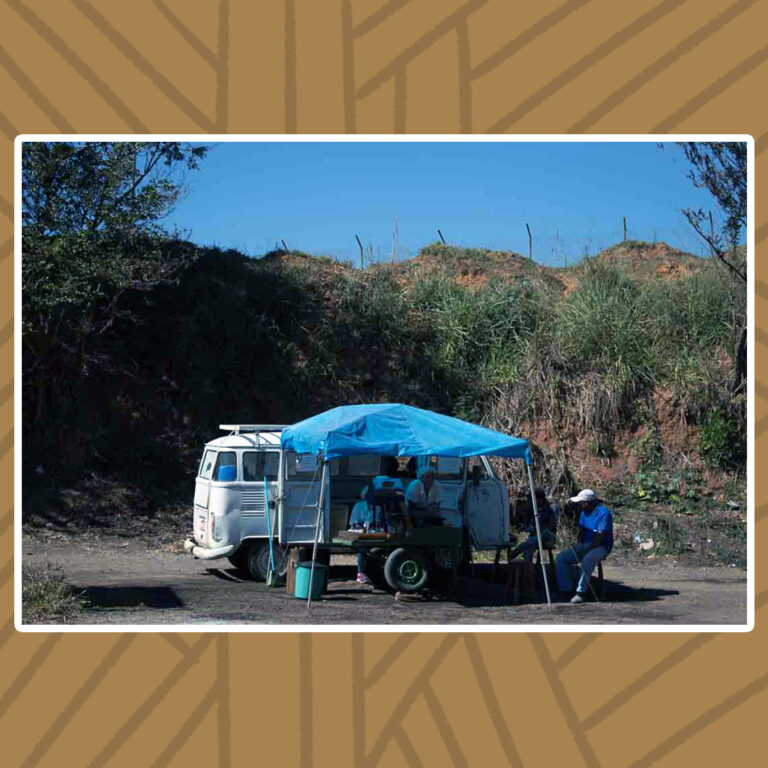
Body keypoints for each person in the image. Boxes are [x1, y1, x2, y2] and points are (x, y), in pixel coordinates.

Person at [555, 489, 613, 604]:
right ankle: (565, 590)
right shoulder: (584, 512)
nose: (580, 505)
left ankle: (580, 592)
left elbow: (599, 537)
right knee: (561, 558)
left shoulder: (604, 513)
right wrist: (579, 545)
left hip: (601, 547)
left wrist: (586, 549)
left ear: (588, 502)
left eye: (581, 502)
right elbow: (581, 531)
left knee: (587, 559)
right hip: (586, 545)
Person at [509, 486, 557, 562]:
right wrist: (525, 527)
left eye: (533, 499)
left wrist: (535, 528)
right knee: (529, 547)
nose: (531, 501)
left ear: (540, 498)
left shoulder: (550, 508)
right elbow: (528, 525)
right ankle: (529, 569)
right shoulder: (532, 509)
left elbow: (551, 525)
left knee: (543, 533)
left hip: (549, 537)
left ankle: (516, 551)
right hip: (535, 538)